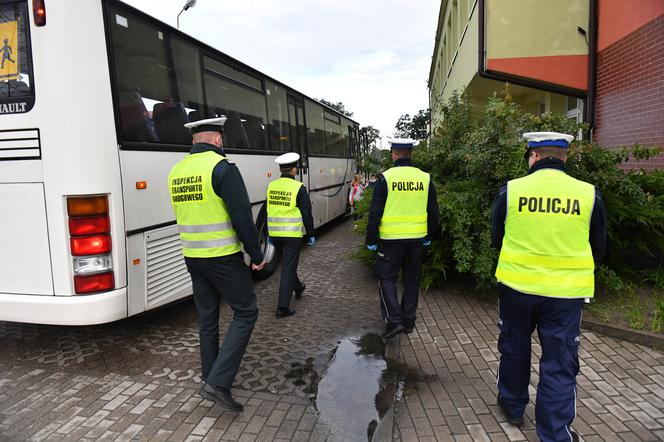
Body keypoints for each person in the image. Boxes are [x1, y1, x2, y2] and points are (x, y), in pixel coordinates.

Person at [491, 132, 607, 442]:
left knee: (514, 349)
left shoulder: (511, 191)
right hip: (566, 295)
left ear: (534, 156)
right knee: (559, 362)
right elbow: (598, 247)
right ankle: (555, 434)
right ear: (564, 157)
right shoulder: (588, 194)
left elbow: (496, 238)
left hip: (516, 288)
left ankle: (513, 407)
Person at [168, 116, 265, 413]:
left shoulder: (177, 171)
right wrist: (257, 255)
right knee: (246, 312)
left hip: (193, 257)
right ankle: (218, 383)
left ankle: (210, 377)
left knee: (207, 318)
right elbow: (242, 218)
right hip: (222, 257)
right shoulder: (223, 168)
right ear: (218, 139)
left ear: (194, 140)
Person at [366, 139, 440, 339]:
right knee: (412, 280)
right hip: (417, 240)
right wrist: (429, 236)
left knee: (385, 278)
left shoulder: (385, 179)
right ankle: (408, 322)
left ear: (394, 154)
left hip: (390, 241)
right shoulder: (425, 178)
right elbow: (434, 212)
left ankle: (394, 320)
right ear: (410, 154)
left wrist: (371, 239)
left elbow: (375, 213)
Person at [266, 152, 315, 318]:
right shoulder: (298, 188)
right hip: (291, 235)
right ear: (294, 170)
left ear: (281, 169)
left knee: (288, 264)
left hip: (274, 234)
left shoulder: (271, 186)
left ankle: (298, 286)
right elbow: (306, 213)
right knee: (288, 267)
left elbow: (268, 209)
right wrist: (311, 234)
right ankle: (282, 308)